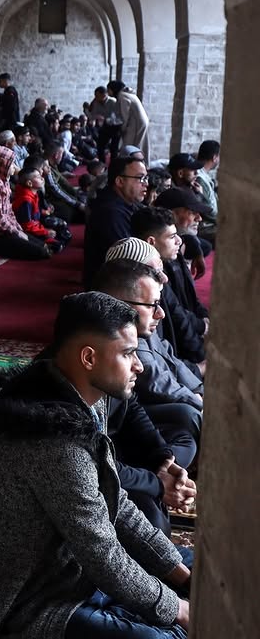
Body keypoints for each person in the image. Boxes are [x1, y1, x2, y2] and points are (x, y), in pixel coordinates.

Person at [0, 292, 191, 639]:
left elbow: (115, 503)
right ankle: (127, 632)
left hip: (71, 566)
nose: (138, 364)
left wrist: (178, 575)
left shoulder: (82, 399)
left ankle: (134, 618)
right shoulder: (53, 441)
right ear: (89, 358)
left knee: (199, 567)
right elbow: (102, 553)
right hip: (29, 604)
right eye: (128, 353)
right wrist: (180, 610)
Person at [93, 258, 202, 449]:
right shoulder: (106, 342)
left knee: (186, 441)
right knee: (189, 416)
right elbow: (155, 383)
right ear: (121, 302)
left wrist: (199, 389)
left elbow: (171, 360)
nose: (161, 313)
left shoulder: (145, 328)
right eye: (152, 305)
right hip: (113, 434)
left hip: (132, 414)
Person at [131, 205, 206, 365]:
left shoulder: (167, 262)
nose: (179, 241)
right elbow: (178, 322)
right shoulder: (145, 282)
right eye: (172, 236)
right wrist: (201, 361)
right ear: (151, 242)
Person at [83, 153, 148, 287]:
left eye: (146, 178)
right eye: (140, 178)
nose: (146, 183)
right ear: (119, 181)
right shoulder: (110, 213)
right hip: (111, 286)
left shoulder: (127, 203)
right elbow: (129, 258)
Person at [0, 146, 50, 259]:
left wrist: (18, 229)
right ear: (3, 164)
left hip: (6, 230)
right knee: (41, 252)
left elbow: (9, 212)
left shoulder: (4, 181)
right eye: (11, 164)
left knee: (44, 245)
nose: (15, 167)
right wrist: (17, 233)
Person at [11, 167, 66, 253]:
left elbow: (35, 213)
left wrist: (44, 212)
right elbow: (26, 226)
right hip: (27, 232)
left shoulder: (33, 193)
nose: (42, 178)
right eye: (38, 177)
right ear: (29, 183)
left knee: (62, 232)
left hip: (36, 227)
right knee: (58, 245)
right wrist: (45, 232)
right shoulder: (25, 200)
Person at [44, 141, 87, 223]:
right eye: (61, 154)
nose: (62, 157)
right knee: (79, 213)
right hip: (51, 201)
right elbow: (56, 189)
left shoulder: (52, 164)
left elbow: (61, 182)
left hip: (58, 197)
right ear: (56, 155)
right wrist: (77, 204)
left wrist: (76, 196)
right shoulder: (46, 168)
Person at [108, 81, 150, 159]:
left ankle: (131, 164)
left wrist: (122, 128)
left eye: (109, 90)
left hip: (136, 122)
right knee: (138, 144)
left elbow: (125, 115)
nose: (108, 92)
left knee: (130, 146)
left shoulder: (122, 96)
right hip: (139, 121)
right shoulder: (127, 94)